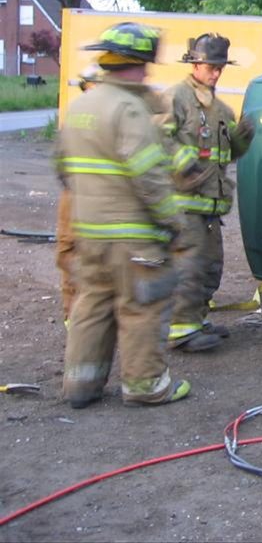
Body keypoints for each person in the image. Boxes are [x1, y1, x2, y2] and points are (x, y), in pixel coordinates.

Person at [55, 23, 191, 408]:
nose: (146, 74)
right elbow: (149, 177)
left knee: (92, 305)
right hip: (133, 238)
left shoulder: (81, 106)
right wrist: (172, 221)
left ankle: (81, 385)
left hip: (89, 234)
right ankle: (146, 385)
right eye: (144, 65)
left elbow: (62, 167)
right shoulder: (129, 109)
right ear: (134, 64)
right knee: (141, 307)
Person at [161, 34, 254, 352]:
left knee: (210, 267)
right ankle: (181, 330)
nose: (216, 73)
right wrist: (182, 160)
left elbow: (227, 155)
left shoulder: (222, 110)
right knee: (187, 267)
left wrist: (241, 140)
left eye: (220, 68)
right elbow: (155, 138)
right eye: (211, 67)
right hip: (183, 203)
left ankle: (196, 319)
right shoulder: (175, 98)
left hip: (211, 205)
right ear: (194, 64)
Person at [55, 63, 103, 326]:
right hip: (77, 194)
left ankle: (85, 315)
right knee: (71, 249)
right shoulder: (81, 115)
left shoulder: (86, 114)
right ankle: (74, 315)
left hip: (87, 193)